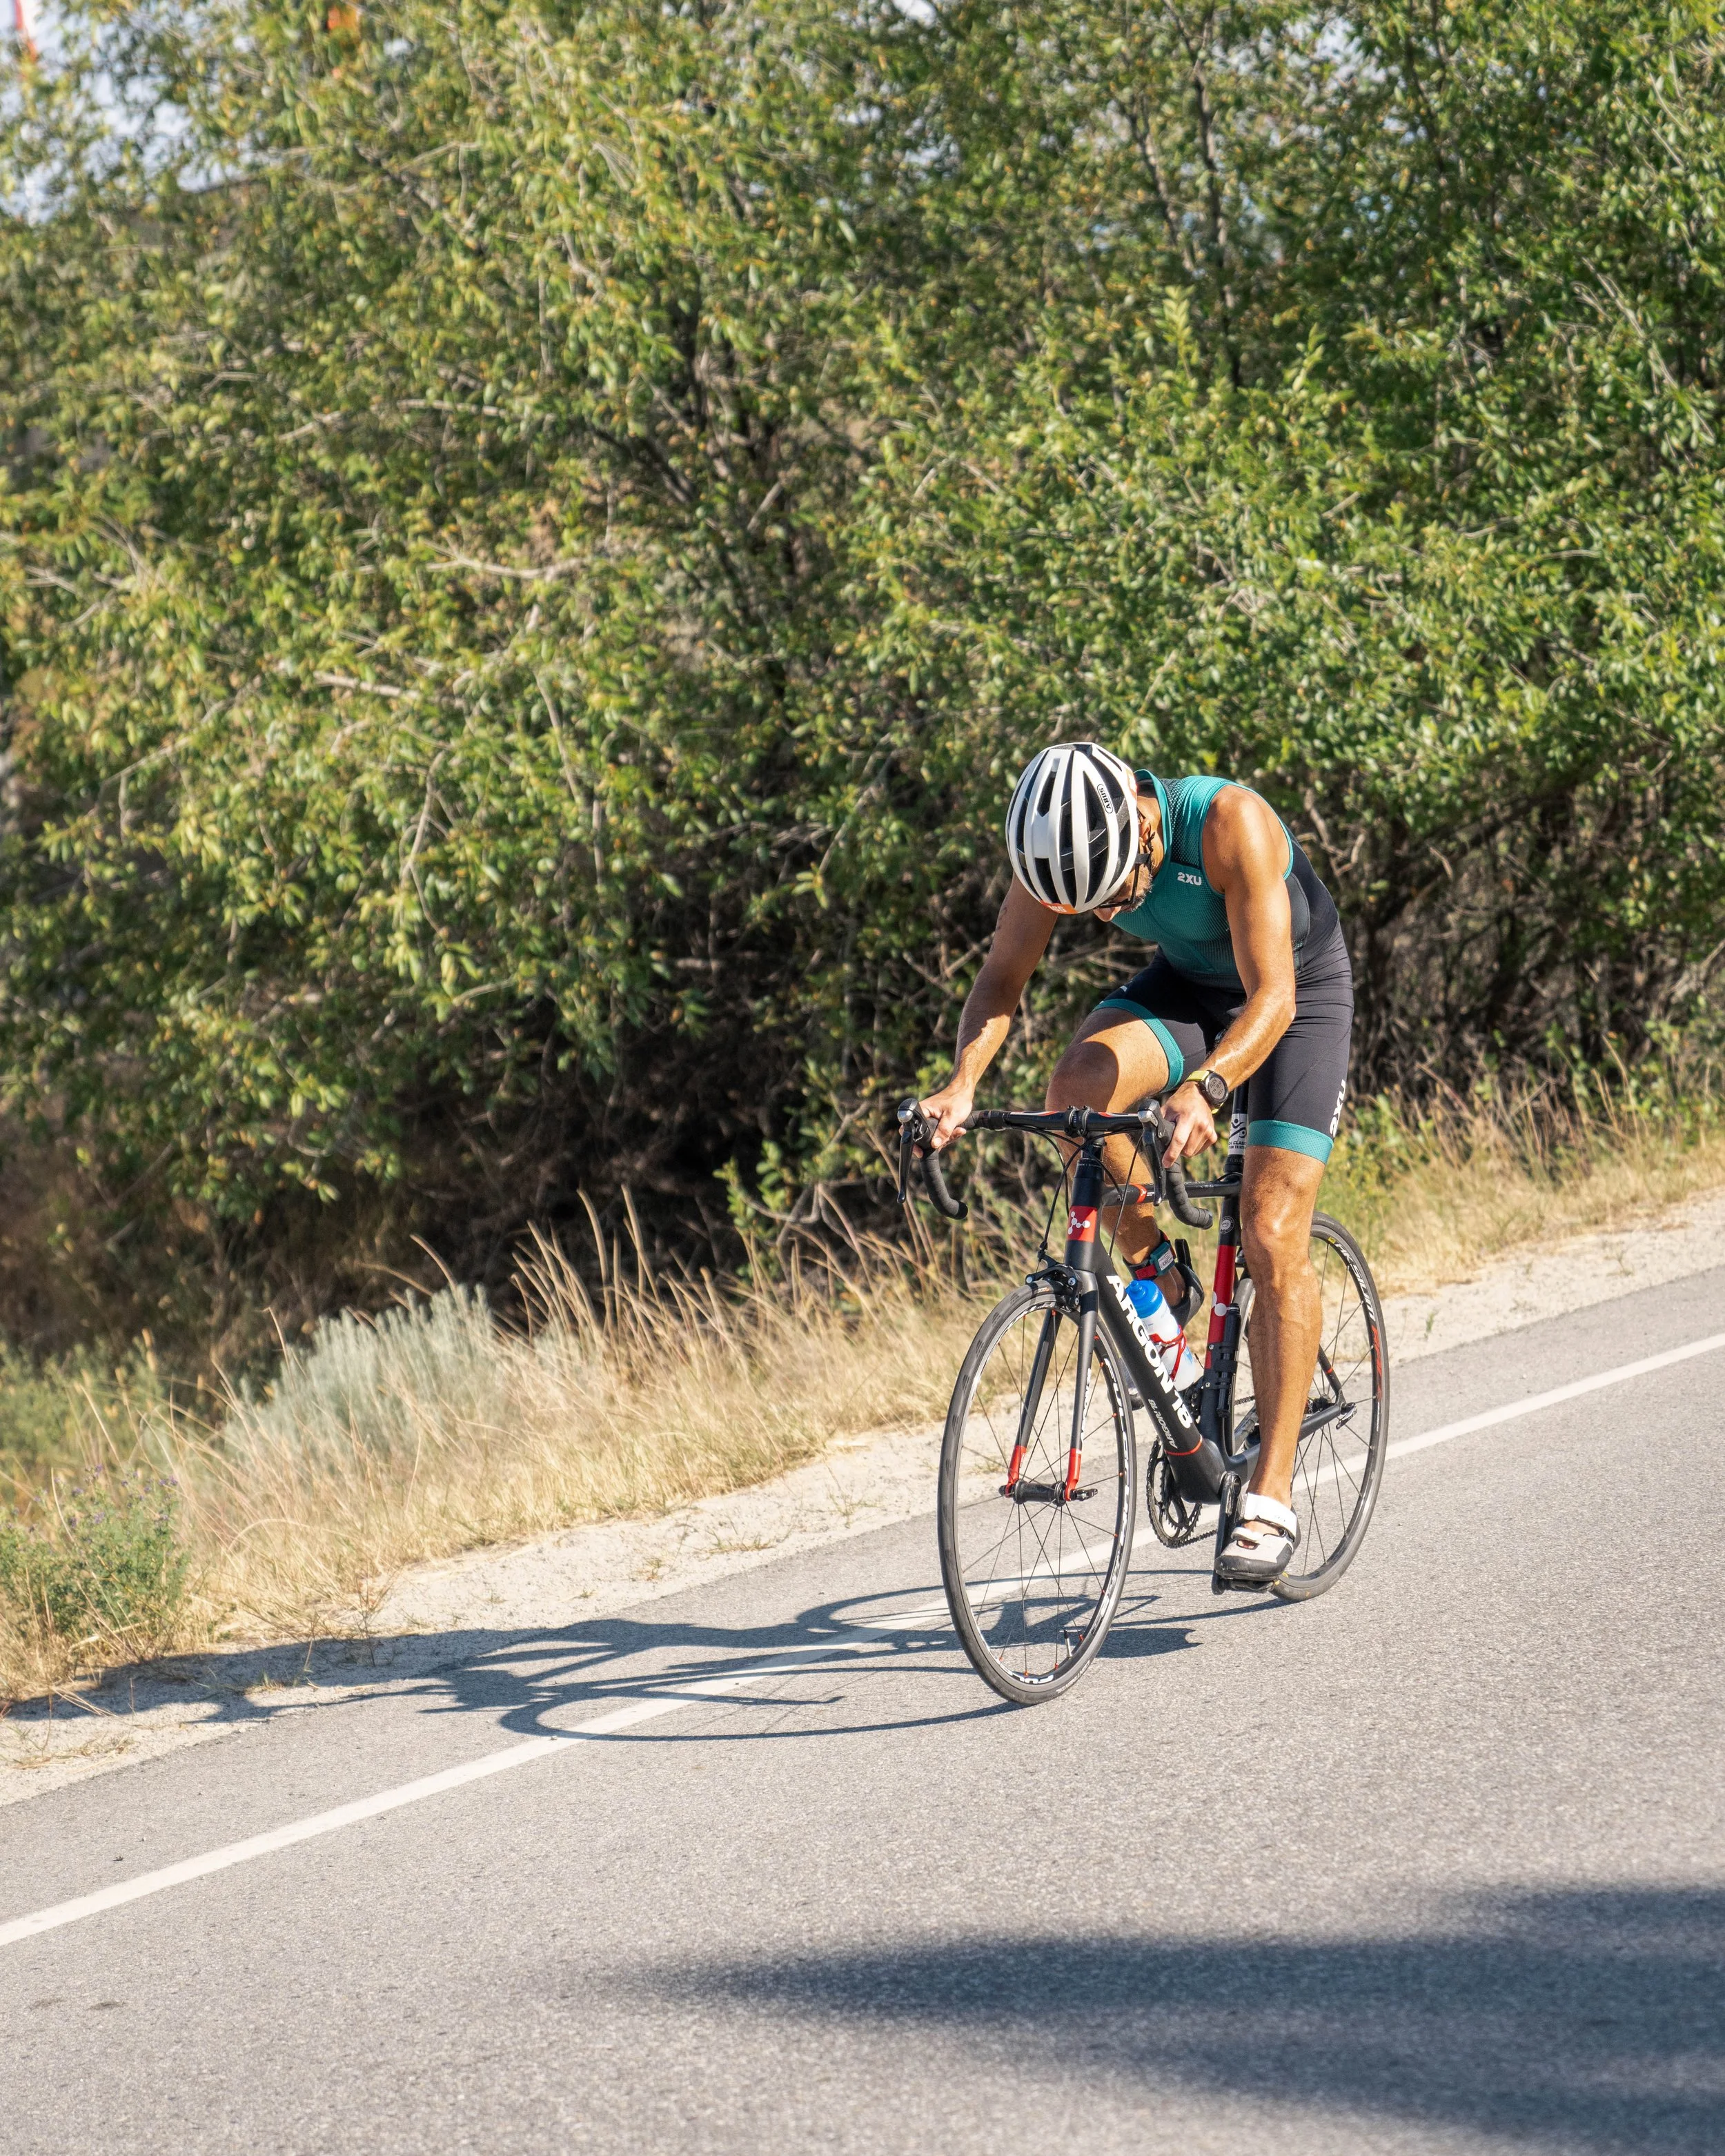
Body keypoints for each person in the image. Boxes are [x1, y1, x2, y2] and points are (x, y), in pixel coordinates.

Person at [918, 741, 1352, 1584]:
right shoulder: (1050, 859)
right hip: (1189, 989)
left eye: (1116, 893)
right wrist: (962, 1084)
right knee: (1075, 1090)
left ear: (1142, 827)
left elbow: (1273, 996)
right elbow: (1004, 976)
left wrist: (1210, 1087)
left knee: (1267, 1230)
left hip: (1292, 996)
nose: (1106, 909)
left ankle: (1270, 1493)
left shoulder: (1230, 823)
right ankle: (1161, 1271)